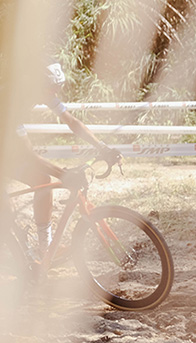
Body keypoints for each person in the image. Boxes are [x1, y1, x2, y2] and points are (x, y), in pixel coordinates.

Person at [11, 63, 122, 249]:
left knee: (42, 180)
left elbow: (72, 122)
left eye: (59, 87)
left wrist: (102, 147)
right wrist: (63, 174)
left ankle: (45, 248)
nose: (55, 92)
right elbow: (30, 157)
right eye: (52, 88)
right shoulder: (13, 103)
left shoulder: (43, 93)